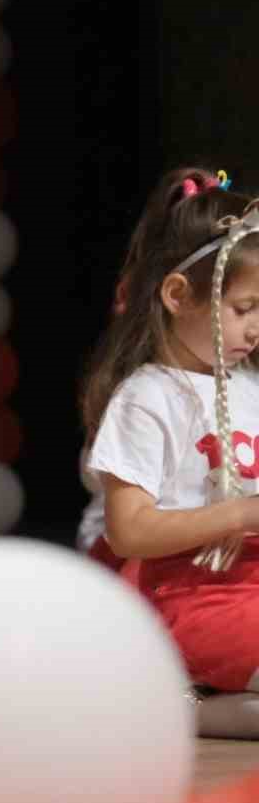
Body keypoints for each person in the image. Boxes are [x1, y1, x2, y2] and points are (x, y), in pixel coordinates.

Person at [83, 166, 259, 738]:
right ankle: (171, 703)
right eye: (243, 308)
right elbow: (128, 533)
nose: (256, 329)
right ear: (179, 295)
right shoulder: (148, 397)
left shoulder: (251, 386)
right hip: (193, 596)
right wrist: (241, 513)